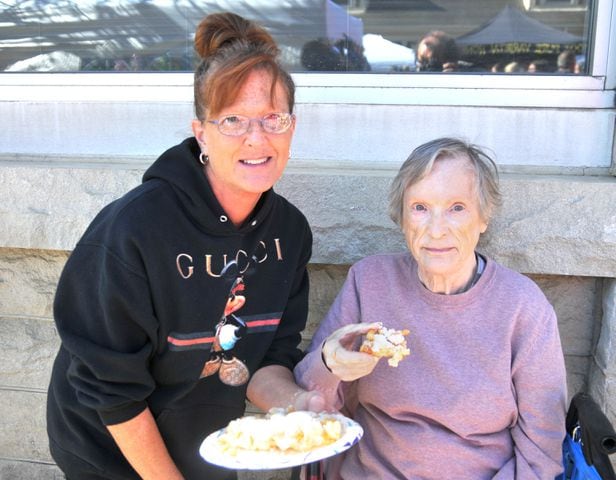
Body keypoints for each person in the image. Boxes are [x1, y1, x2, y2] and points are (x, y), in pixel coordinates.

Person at [47, 12, 323, 480]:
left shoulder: (289, 234)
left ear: (292, 126)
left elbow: (267, 359)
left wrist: (300, 403)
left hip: (204, 448)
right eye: (233, 120)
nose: (257, 138)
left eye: (272, 118)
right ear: (202, 133)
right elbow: (112, 392)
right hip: (107, 450)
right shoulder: (134, 229)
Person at [294, 137, 567, 479]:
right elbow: (311, 406)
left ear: (483, 216)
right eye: (420, 207)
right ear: (402, 217)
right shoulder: (369, 281)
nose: (437, 230)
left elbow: (541, 453)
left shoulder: (523, 307)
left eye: (457, 208)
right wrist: (328, 363)